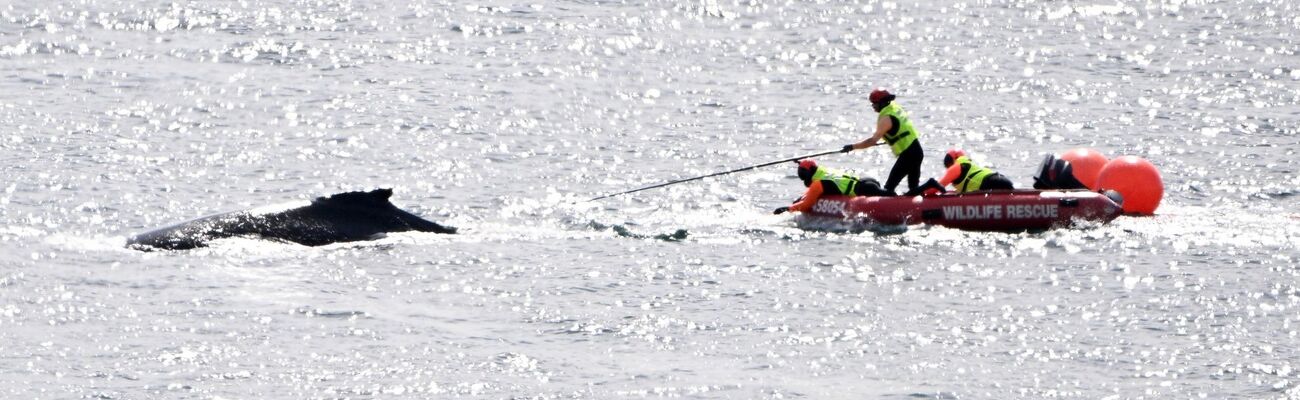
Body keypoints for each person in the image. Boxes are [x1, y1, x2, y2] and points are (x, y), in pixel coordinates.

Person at [840, 88, 924, 195]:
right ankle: (921, 204)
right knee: (913, 188)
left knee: (889, 188)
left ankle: (931, 184)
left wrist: (852, 147)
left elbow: (872, 141)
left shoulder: (886, 118)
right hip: (917, 151)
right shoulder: (894, 108)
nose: (873, 107)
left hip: (908, 155)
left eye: (874, 104)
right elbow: (899, 131)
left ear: (882, 103)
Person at [773, 159, 893, 214]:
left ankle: (907, 197)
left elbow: (806, 205)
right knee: (888, 192)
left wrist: (788, 209)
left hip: (864, 189)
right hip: (865, 181)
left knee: (891, 196)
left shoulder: (817, 184)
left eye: (802, 174)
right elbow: (808, 194)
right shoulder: (823, 172)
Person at [907, 149, 1015, 196]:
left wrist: (921, 192)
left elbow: (935, 189)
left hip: (992, 182)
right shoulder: (968, 164)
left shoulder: (956, 166)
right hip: (998, 179)